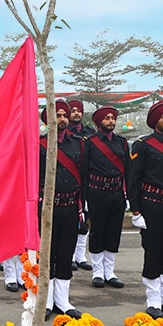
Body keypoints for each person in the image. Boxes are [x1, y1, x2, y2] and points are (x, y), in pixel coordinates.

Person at [40, 100, 87, 321]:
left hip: (70, 206)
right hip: (47, 208)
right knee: (48, 256)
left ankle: (63, 301)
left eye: (64, 115)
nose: (62, 119)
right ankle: (46, 301)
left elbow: (84, 178)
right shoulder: (38, 144)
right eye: (57, 115)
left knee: (66, 253)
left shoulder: (78, 144)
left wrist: (83, 207)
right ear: (47, 119)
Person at [128, 100, 163, 319]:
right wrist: (135, 211)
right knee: (153, 251)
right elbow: (133, 179)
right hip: (152, 205)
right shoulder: (143, 145)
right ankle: (154, 300)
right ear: (155, 121)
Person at [85, 106, 129, 289]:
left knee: (113, 232)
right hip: (97, 192)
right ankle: (97, 272)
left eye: (113, 118)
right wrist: (85, 197)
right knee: (97, 231)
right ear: (99, 122)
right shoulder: (89, 143)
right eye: (107, 118)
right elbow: (84, 170)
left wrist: (127, 195)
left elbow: (128, 170)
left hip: (116, 192)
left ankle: (109, 272)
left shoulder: (122, 142)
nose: (111, 121)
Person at [68, 99, 95, 271]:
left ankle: (80, 256)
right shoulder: (63, 133)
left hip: (88, 179)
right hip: (70, 179)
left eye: (79, 110)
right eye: (73, 110)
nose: (76, 113)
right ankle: (69, 256)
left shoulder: (90, 133)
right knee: (70, 221)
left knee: (85, 219)